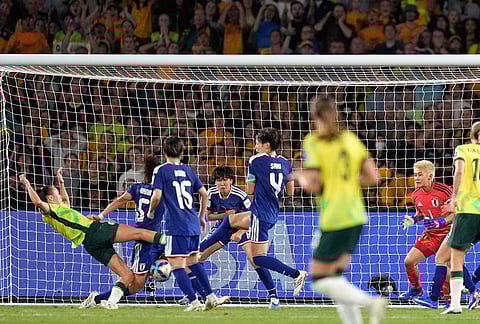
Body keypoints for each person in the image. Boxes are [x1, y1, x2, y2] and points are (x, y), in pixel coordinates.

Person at [292, 95, 386, 324]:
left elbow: (315, 185)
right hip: (356, 215)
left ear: (314, 116)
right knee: (336, 276)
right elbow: (374, 177)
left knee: (320, 279)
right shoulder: (350, 138)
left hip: (335, 216)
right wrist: (345, 181)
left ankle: (371, 302)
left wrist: (299, 176)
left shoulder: (314, 141)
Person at [18, 168, 166, 310]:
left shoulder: (60, 210)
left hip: (90, 244)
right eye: (57, 193)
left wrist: (61, 183)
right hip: (94, 231)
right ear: (50, 198)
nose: (61, 196)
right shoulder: (49, 211)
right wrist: (27, 184)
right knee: (139, 233)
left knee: (127, 275)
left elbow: (67, 203)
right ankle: (170, 242)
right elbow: (38, 203)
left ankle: (104, 302)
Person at [79, 154, 166, 309]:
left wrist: (101, 215)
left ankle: (197, 297)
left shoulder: (136, 188)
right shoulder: (162, 191)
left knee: (181, 262)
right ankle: (99, 299)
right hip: (146, 241)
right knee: (135, 285)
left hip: (154, 238)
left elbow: (119, 201)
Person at [146, 136, 218, 311]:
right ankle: (210, 296)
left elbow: (156, 196)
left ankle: (194, 302)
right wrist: (201, 217)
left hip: (176, 225)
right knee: (194, 261)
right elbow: (205, 194)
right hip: (192, 222)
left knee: (176, 264)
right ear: (183, 152)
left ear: (164, 152)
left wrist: (150, 211)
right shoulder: (188, 170)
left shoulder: (161, 170)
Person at [243, 127, 307, 309]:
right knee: (257, 255)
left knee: (257, 259)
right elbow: (291, 192)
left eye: (257, 143)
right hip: (273, 213)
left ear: (267, 145)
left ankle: (295, 274)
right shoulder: (286, 163)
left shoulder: (255, 161)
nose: (255, 147)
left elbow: (249, 190)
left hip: (259, 213)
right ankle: (274, 297)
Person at [179, 165, 250, 305]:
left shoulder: (240, 195)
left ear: (231, 181)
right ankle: (193, 295)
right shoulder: (211, 193)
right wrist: (226, 215)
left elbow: (253, 217)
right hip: (221, 229)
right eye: (218, 180)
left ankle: (273, 296)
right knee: (197, 256)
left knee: (256, 259)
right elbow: (209, 216)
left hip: (243, 229)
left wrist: (241, 232)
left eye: (225, 180)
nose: (221, 183)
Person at [398, 160, 454, 301]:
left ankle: (454, 296)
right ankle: (417, 290)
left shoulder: (445, 191)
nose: (416, 178)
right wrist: (413, 220)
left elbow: (457, 213)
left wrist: (439, 222)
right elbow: (421, 213)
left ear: (430, 176)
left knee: (448, 271)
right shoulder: (416, 195)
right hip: (431, 235)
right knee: (409, 262)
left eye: (420, 175)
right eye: (415, 174)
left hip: (448, 233)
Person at [442, 122, 480, 314]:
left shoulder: (463, 149)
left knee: (456, 257)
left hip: (469, 210)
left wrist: (454, 197)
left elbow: (459, 171)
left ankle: (456, 304)